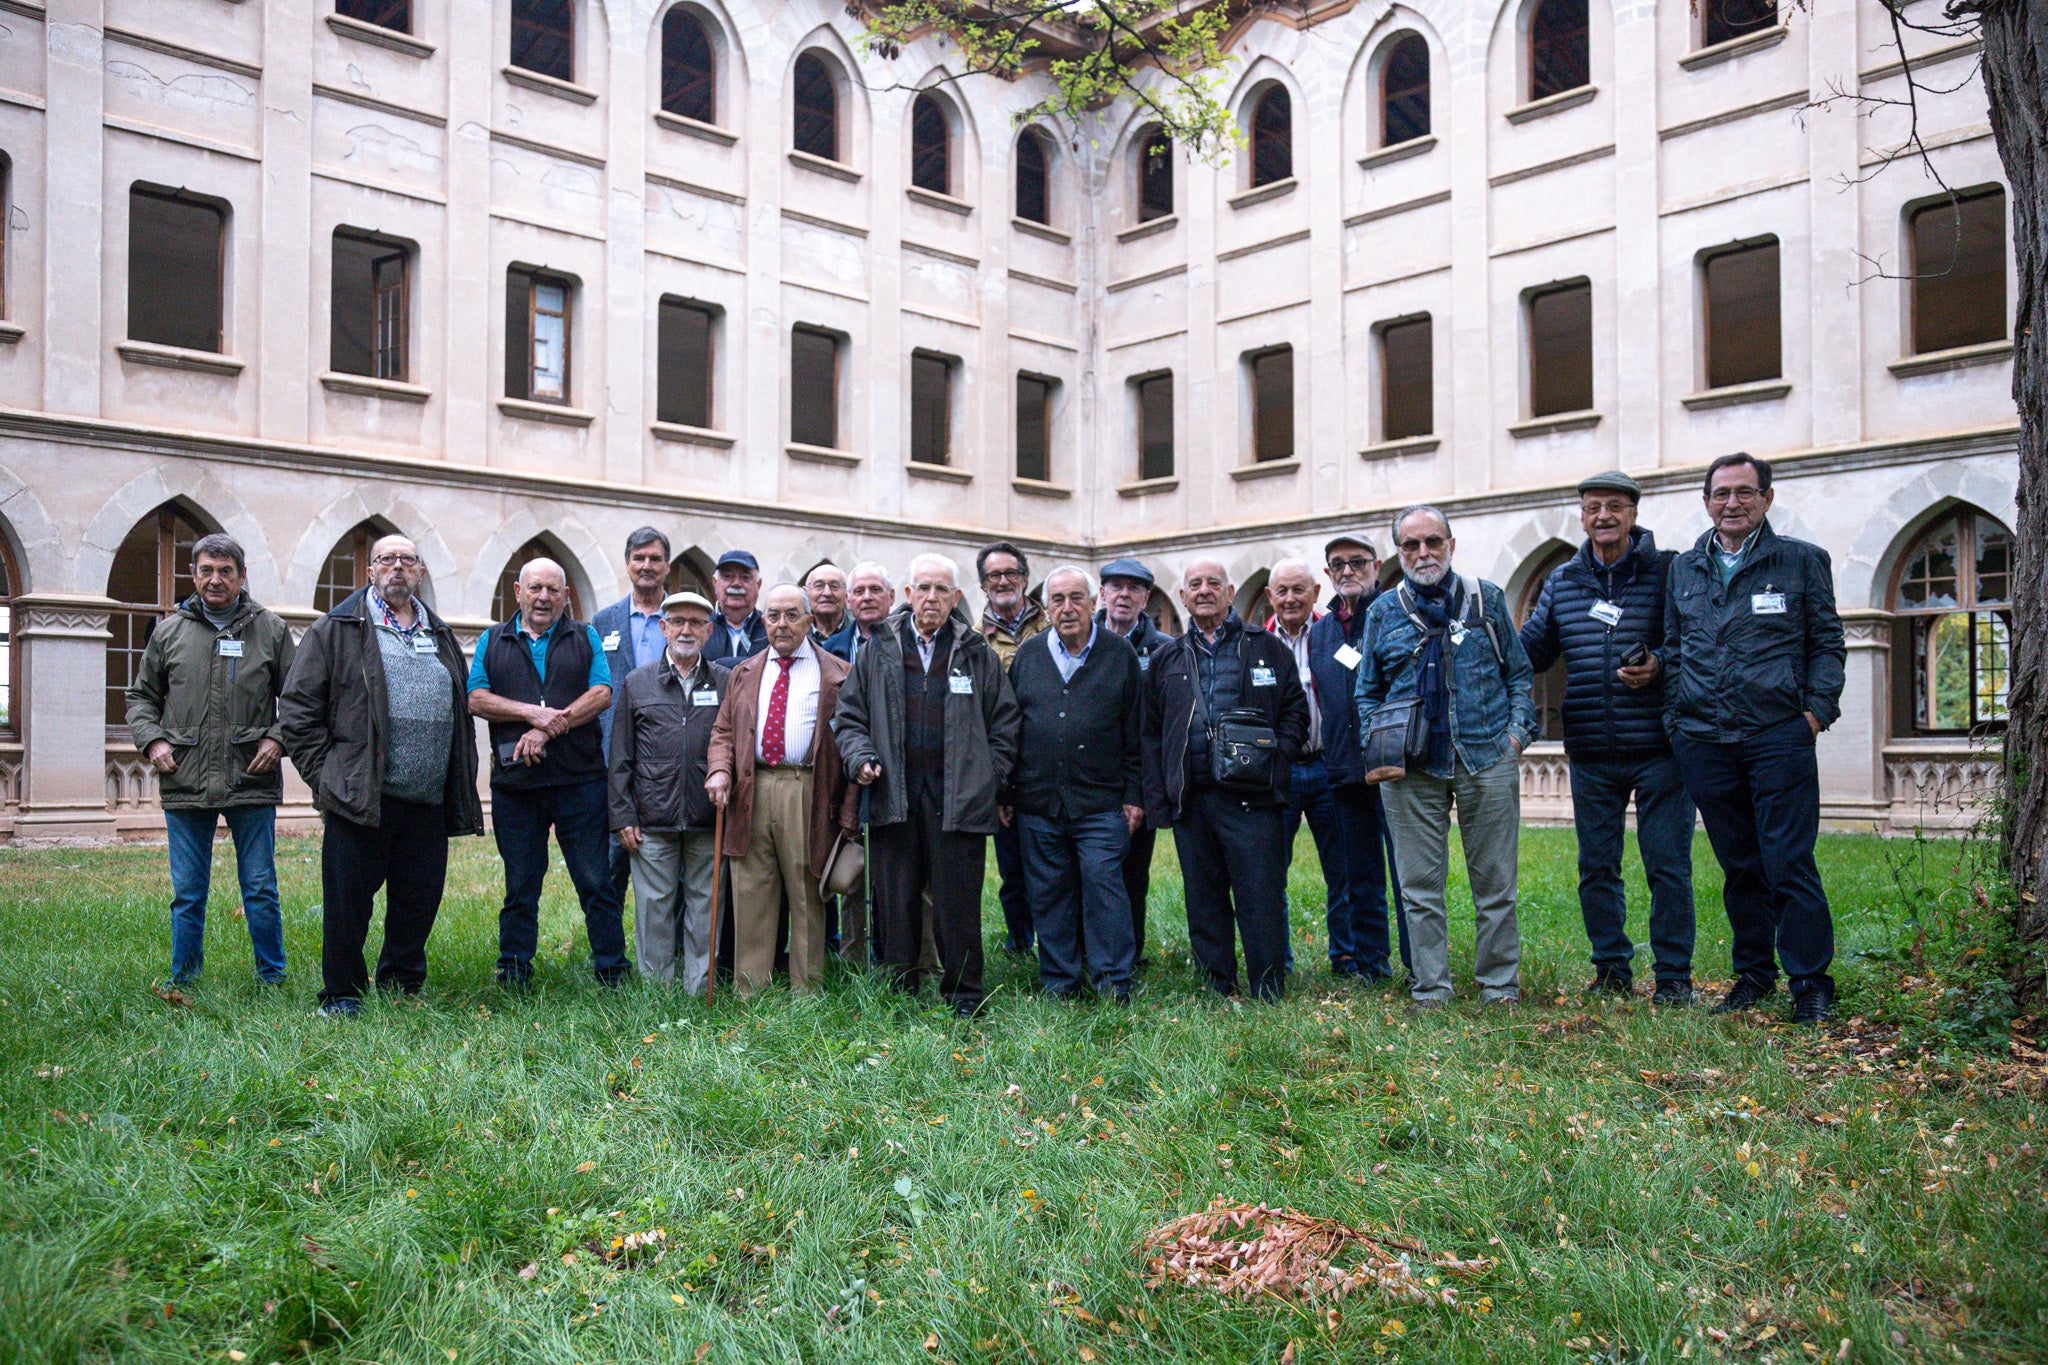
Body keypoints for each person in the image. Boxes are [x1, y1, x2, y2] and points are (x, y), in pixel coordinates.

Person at [1664, 452, 1847, 1022]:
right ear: (1706, 503)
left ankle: (1810, 983)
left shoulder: (1800, 561)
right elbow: (1674, 648)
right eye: (1721, 494)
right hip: (1703, 739)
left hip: (1778, 735)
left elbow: (1827, 643)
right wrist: (1676, 719)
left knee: (1789, 861)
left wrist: (1814, 714)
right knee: (1740, 865)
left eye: (1745, 492)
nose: (1732, 503)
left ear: (1767, 497)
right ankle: (1754, 976)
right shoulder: (1684, 569)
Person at [279, 535, 482, 1015]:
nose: (397, 568)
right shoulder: (337, 628)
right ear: (370, 571)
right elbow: (298, 709)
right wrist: (328, 778)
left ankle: (402, 985)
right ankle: (342, 994)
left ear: (420, 573)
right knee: (348, 903)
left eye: (408, 560)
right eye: (386, 560)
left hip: (427, 798)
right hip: (362, 795)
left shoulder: (439, 633)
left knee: (418, 900)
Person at [1519, 472, 1697, 1006]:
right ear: (1582, 516)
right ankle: (1612, 970)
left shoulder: (1668, 571)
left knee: (1667, 867)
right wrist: (1485, 638)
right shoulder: (1562, 581)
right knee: (1596, 868)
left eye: (1615, 506)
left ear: (1633, 514)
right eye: (1593, 507)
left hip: (1661, 748)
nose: (1604, 516)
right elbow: (1532, 652)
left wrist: (1659, 664)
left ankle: (1673, 978)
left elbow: (1694, 642)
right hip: (1592, 750)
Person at [1356, 506, 1536, 1010]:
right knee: (1418, 888)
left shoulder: (1486, 598)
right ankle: (1431, 989)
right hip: (1410, 768)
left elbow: (1519, 675)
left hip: (1487, 755)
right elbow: (1366, 692)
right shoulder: (1383, 611)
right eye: (1411, 545)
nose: (1423, 553)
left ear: (1451, 545)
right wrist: (1380, 743)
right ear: (1398, 553)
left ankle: (1499, 987)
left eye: (1433, 541)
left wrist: (1515, 738)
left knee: (1496, 885)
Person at [835, 553, 1020, 1016]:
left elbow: (1005, 723)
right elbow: (850, 717)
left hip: (958, 801)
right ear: (908, 594)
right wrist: (860, 758)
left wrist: (988, 778)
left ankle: (964, 996)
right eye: (923, 588)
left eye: (941, 590)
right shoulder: (877, 650)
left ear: (956, 598)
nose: (931, 598)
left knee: (958, 906)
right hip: (894, 796)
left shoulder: (976, 653)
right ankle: (899, 995)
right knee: (894, 904)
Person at [125, 532, 295, 986]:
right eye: (206, 571)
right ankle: (184, 978)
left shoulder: (272, 630)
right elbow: (141, 698)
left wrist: (277, 740)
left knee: (259, 888)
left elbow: (300, 699)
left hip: (250, 776)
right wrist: (153, 742)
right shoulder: (169, 632)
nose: (215, 580)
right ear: (193, 574)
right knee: (187, 892)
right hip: (185, 775)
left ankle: (272, 977)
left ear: (242, 576)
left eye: (225, 571)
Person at [1141, 558, 1309, 1002]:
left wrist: (1276, 760)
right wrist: (1162, 799)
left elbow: (1295, 712)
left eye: (1213, 583)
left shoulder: (1266, 647)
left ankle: (1268, 987)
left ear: (1230, 592)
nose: (1204, 590)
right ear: (1182, 597)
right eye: (1194, 584)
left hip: (1254, 800)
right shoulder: (1166, 658)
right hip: (1193, 799)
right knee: (1204, 898)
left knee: (1261, 896)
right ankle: (1217, 985)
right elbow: (1151, 732)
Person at [467, 558, 625, 986]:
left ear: (566, 596)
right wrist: (531, 714)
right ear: (517, 592)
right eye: (535, 588)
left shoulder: (585, 636)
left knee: (596, 880)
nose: (543, 597)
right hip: (516, 787)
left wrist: (547, 729)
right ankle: (514, 971)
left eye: (553, 590)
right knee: (520, 884)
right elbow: (476, 698)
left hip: (580, 781)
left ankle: (612, 969)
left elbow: (602, 693)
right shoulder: (492, 640)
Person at [706, 584, 859, 994]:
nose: (782, 624)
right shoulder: (744, 672)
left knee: (807, 891)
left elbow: (852, 737)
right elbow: (723, 731)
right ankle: (750, 991)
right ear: (764, 621)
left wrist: (849, 807)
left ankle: (806, 992)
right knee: (751, 891)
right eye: (773, 616)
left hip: (806, 788)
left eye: (792, 615)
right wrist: (719, 771)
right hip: (750, 789)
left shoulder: (838, 673)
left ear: (809, 621)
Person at [1003, 567, 1145, 1002]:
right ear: (1045, 607)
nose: (1067, 608)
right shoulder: (1028, 656)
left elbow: (1137, 731)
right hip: (1038, 803)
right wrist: (1006, 792)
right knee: (1049, 894)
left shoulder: (1120, 655)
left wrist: (1134, 796)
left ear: (1094, 602)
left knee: (1105, 888)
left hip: (1102, 803)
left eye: (1076, 598)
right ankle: (1059, 983)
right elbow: (1010, 729)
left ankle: (1112, 983)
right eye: (1058, 599)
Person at [608, 591, 727, 993]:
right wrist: (622, 815)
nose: (686, 630)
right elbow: (620, 755)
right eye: (677, 621)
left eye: (696, 623)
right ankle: (656, 993)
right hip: (652, 818)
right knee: (653, 909)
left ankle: (698, 989)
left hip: (707, 817)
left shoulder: (726, 683)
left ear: (709, 631)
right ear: (663, 628)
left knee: (705, 908)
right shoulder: (637, 683)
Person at [1306, 533, 1407, 980]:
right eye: (1338, 564)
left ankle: (1420, 965)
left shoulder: (1395, 615)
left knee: (1407, 876)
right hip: (1345, 772)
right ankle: (1371, 963)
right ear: (1328, 573)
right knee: (1361, 877)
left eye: (1358, 562)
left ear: (1377, 566)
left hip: (1394, 766)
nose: (1348, 571)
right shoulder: (1322, 631)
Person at [593, 527, 676, 946]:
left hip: (669, 762)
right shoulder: (602, 622)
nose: (646, 566)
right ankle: (610, 955)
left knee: (671, 867)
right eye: (639, 558)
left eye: (655, 558)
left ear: (667, 566)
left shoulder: (680, 619)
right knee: (609, 867)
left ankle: (671, 951)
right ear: (626, 563)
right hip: (613, 762)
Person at [819, 560, 899, 962]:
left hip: (898, 777)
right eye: (859, 591)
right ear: (848, 601)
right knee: (851, 872)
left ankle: (897, 954)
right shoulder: (828, 650)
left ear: (892, 597)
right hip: (845, 776)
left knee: (899, 874)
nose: (867, 598)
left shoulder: (907, 645)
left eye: (875, 590)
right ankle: (853, 959)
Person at [1098, 557, 1174, 970]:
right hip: (1091, 781)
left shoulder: (1164, 650)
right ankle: (1090, 950)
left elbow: (1162, 726)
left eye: (1134, 588)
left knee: (1132, 875)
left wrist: (1144, 793)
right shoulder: (1083, 639)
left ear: (1146, 599)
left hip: (1140, 783)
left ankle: (1129, 955)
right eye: (1116, 587)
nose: (1123, 595)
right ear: (1102, 594)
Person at [977, 541, 1049, 958]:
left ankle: (1056, 937)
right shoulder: (973, 640)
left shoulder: (1053, 625)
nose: (1003, 581)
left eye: (1011, 573)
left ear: (1025, 578)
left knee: (1053, 862)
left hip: (1049, 763)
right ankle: (1020, 940)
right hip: (1003, 765)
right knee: (1012, 866)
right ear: (983, 584)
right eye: (994, 575)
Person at [703, 549, 768, 663]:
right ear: (715, 582)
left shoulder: (769, 628)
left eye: (745, 577)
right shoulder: (701, 628)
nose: (736, 583)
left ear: (758, 584)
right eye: (727, 576)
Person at [805, 563, 850, 647]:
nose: (827, 593)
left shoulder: (859, 632)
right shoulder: (797, 634)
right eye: (819, 586)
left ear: (846, 594)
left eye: (834, 586)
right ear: (806, 593)